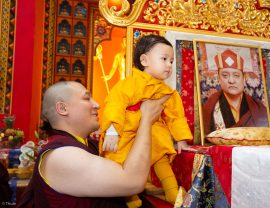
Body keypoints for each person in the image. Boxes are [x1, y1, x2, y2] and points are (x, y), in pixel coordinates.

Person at [17, 81, 168, 208]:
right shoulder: (61, 156)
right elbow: (132, 182)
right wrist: (146, 119)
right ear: (63, 108)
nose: (97, 105)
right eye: (87, 98)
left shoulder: (89, 144)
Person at [100, 34, 194, 207]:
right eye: (164, 59)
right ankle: (129, 194)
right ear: (144, 60)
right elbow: (115, 105)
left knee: (162, 157)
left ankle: (172, 192)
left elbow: (176, 116)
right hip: (127, 130)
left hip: (155, 131)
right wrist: (112, 131)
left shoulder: (168, 92)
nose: (169, 65)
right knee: (119, 156)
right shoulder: (129, 84)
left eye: (171, 61)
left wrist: (181, 139)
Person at [202, 49, 269, 135]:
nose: (231, 80)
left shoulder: (258, 108)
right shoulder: (210, 106)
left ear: (244, 78)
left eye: (236, 75)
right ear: (219, 78)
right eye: (225, 75)